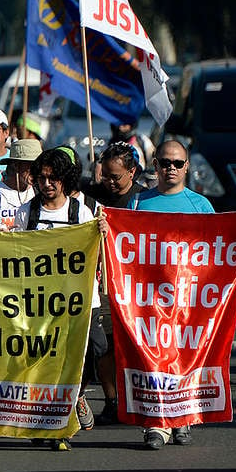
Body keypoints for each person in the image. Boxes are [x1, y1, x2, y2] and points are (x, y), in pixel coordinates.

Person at [127, 139, 214, 451]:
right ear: (156, 165)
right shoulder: (138, 203)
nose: (171, 168)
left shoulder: (201, 207)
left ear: (187, 166)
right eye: (165, 163)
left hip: (189, 301)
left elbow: (220, 253)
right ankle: (156, 424)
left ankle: (183, 419)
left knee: (185, 360)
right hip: (148, 300)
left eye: (178, 163)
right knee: (153, 361)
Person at [13, 147, 101, 451]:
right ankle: (55, 426)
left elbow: (95, 255)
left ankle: (77, 396)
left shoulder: (81, 212)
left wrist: (101, 234)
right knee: (48, 363)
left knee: (94, 350)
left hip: (78, 302)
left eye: (54, 178)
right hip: (40, 303)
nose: (47, 183)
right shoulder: (28, 212)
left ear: (66, 179)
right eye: (42, 177)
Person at [81, 141, 145, 425]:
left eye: (115, 177)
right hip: (101, 281)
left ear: (132, 172)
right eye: (104, 175)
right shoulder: (91, 196)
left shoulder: (143, 200)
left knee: (132, 344)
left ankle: (139, 398)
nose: (108, 182)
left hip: (135, 283)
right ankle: (111, 400)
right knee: (104, 344)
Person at [0, 138, 39, 230]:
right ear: (16, 165)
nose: (36, 171)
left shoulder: (40, 193)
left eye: (39, 166)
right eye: (31, 166)